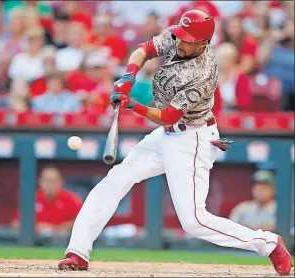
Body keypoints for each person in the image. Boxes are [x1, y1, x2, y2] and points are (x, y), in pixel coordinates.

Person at [58, 10, 292, 275]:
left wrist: (133, 104)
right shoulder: (179, 37)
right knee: (116, 179)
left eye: (188, 40)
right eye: (181, 36)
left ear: (203, 43)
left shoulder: (203, 73)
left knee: (194, 222)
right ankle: (77, 251)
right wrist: (129, 76)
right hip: (165, 136)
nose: (180, 42)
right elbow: (143, 50)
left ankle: (269, 243)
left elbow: (169, 115)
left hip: (191, 139)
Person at [11, 167, 83, 235]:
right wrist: (36, 227)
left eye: (54, 181)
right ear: (40, 182)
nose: (50, 185)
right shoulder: (32, 198)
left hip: (63, 242)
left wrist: (57, 229)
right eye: (47, 181)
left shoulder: (72, 199)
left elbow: (83, 222)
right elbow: (15, 223)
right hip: (36, 242)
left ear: (61, 182)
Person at [213, 42, 251, 112]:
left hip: (235, 112)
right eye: (222, 59)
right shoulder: (213, 77)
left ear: (233, 60)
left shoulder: (240, 77)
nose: (224, 62)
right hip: (217, 113)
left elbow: (245, 101)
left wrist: (232, 102)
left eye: (227, 59)